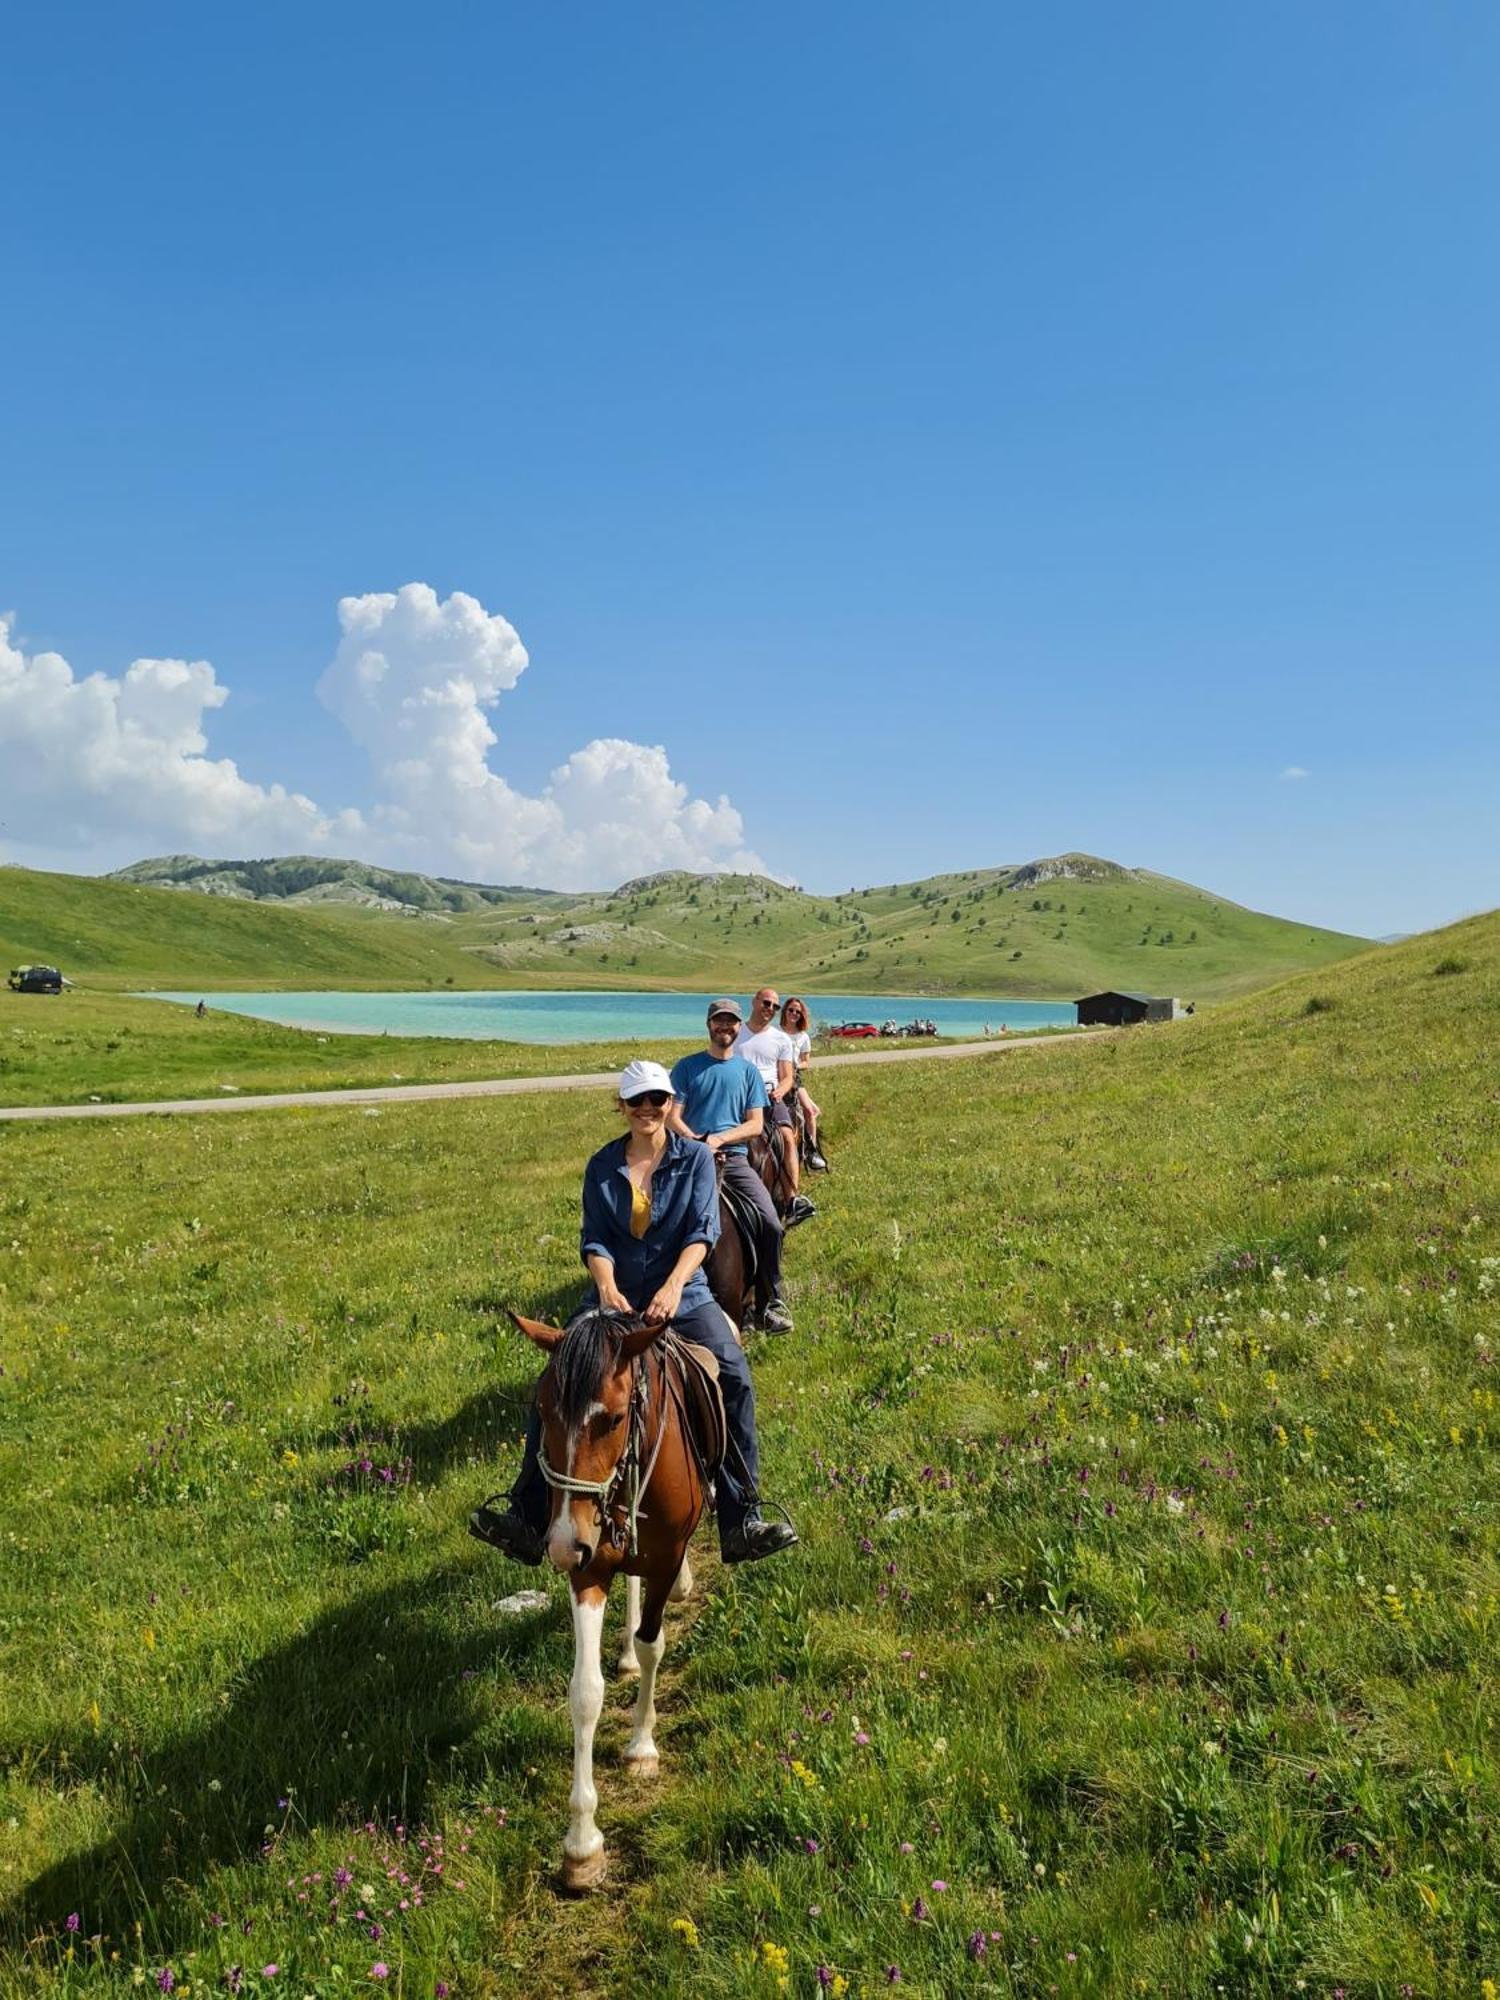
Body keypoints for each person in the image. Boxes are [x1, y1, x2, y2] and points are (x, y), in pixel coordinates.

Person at [469, 1059, 798, 1569]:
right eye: (637, 1100)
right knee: (556, 1379)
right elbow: (595, 1238)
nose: (648, 1109)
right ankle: (527, 1513)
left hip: (683, 1297)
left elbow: (702, 1232)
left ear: (670, 1105)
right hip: (612, 1299)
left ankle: (741, 1514)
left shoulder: (694, 1160)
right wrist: (605, 1287)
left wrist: (672, 1286)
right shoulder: (602, 1165)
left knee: (733, 1374)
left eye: (658, 1100)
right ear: (621, 1106)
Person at [669, 998, 794, 1333]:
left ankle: (769, 1301)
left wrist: (720, 1140)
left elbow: (755, 1124)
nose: (725, 1027)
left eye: (731, 1022)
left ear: (739, 1028)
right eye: (719, 1021)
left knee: (771, 1224)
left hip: (735, 1159)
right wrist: (696, 1141)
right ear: (709, 1024)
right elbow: (672, 1116)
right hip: (689, 1157)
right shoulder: (686, 1067)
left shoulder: (748, 1072)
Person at [734, 987, 816, 1225]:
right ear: (754, 1001)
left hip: (770, 1097)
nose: (769, 1009)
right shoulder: (736, 1033)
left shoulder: (781, 1039)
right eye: (766, 1003)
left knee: (788, 1137)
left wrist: (780, 1090)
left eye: (774, 1006)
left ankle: (792, 1202)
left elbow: (788, 1076)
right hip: (738, 1098)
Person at [778, 996, 827, 1172]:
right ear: (784, 1011)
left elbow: (807, 1061)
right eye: (791, 1010)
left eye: (798, 1012)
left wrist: (797, 1064)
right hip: (775, 1075)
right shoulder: (775, 1031)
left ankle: (812, 1151)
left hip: (794, 1076)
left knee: (809, 1110)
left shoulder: (803, 1036)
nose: (794, 1014)